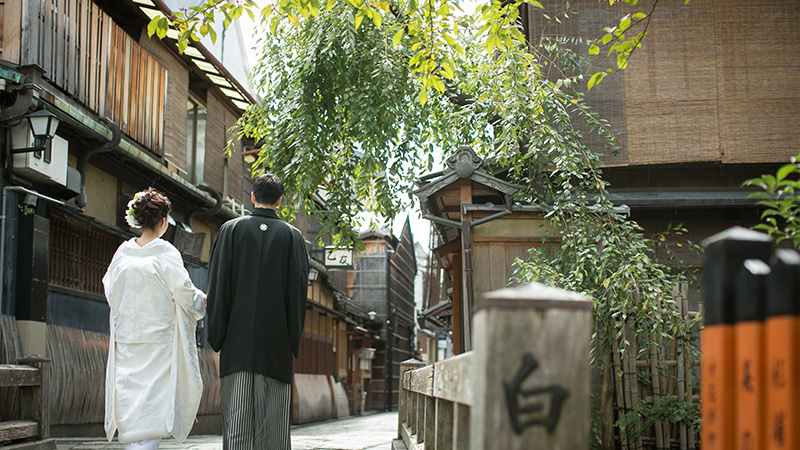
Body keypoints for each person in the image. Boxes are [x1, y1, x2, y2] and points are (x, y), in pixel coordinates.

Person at [206, 172, 309, 450]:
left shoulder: (230, 230)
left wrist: (216, 334)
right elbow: (298, 292)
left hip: (236, 343)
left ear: (252, 197)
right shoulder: (292, 236)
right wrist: (291, 337)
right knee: (273, 429)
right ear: (280, 200)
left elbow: (217, 285)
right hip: (274, 345)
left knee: (237, 425)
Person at [102, 188, 206, 450]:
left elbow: (111, 291)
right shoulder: (165, 253)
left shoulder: (122, 255)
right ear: (162, 221)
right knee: (151, 411)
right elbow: (184, 293)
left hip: (127, 342)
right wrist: (201, 300)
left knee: (131, 410)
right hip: (158, 346)